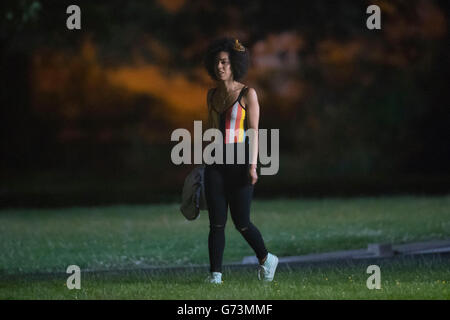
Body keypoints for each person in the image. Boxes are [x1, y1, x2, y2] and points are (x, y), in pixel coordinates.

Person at [202, 37, 278, 284]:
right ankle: (215, 276)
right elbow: (210, 132)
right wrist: (202, 165)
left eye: (224, 62)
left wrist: (253, 166)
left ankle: (267, 259)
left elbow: (255, 131)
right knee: (216, 223)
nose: (220, 67)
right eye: (217, 63)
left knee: (242, 222)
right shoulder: (211, 95)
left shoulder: (248, 94)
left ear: (234, 64)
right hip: (215, 163)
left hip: (240, 161)